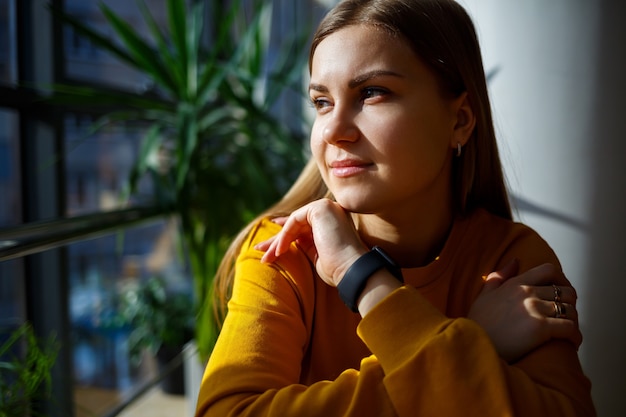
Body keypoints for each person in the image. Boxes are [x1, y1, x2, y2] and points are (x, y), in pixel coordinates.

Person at [195, 0, 596, 415]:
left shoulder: (512, 258)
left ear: (459, 120)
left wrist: (362, 278)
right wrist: (471, 341)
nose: (332, 130)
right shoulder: (284, 248)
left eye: (372, 93)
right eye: (322, 102)